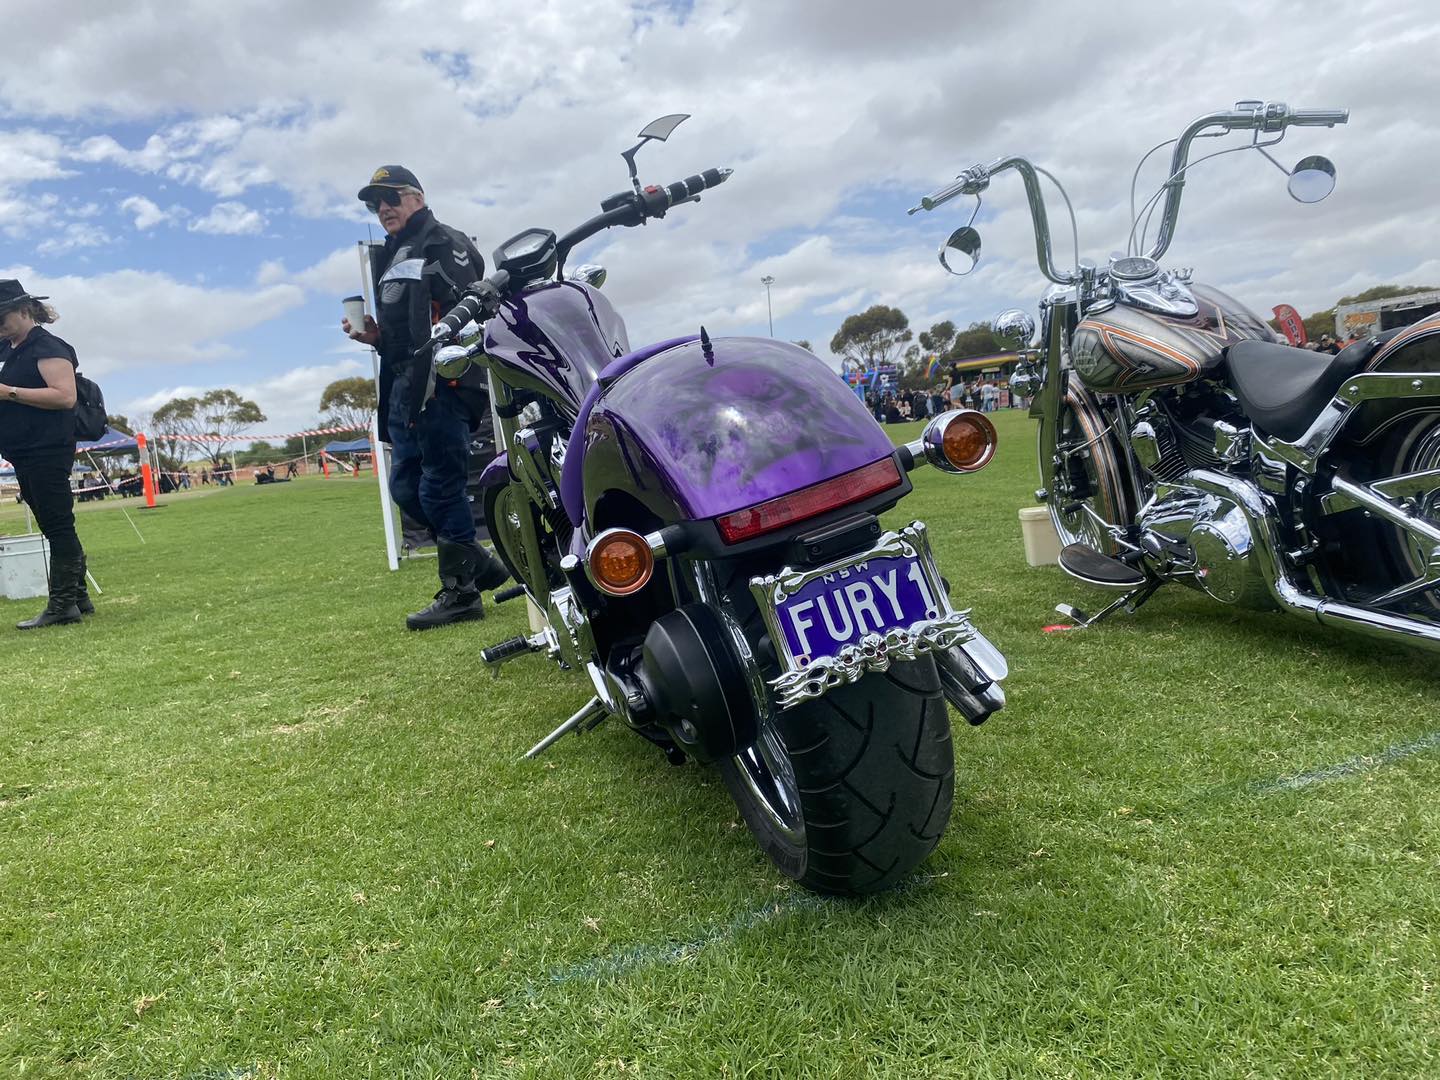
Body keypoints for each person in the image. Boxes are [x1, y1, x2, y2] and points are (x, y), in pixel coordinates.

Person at [344, 165, 509, 630]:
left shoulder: (443, 242)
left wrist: (445, 368)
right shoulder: (396, 251)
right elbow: (409, 328)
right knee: (404, 487)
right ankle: (479, 562)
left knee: (439, 486)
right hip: (403, 386)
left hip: (443, 384)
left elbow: (466, 313)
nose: (382, 208)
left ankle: (461, 593)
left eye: (390, 197)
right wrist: (377, 337)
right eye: (374, 203)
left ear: (416, 197)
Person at [0, 280, 93, 628]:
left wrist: (8, 392)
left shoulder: (48, 346)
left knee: (57, 524)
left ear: (25, 310)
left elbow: (65, 396)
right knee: (53, 523)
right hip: (24, 450)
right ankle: (78, 597)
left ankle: (63, 604)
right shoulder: (10, 347)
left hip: (47, 448)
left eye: (1, 317)